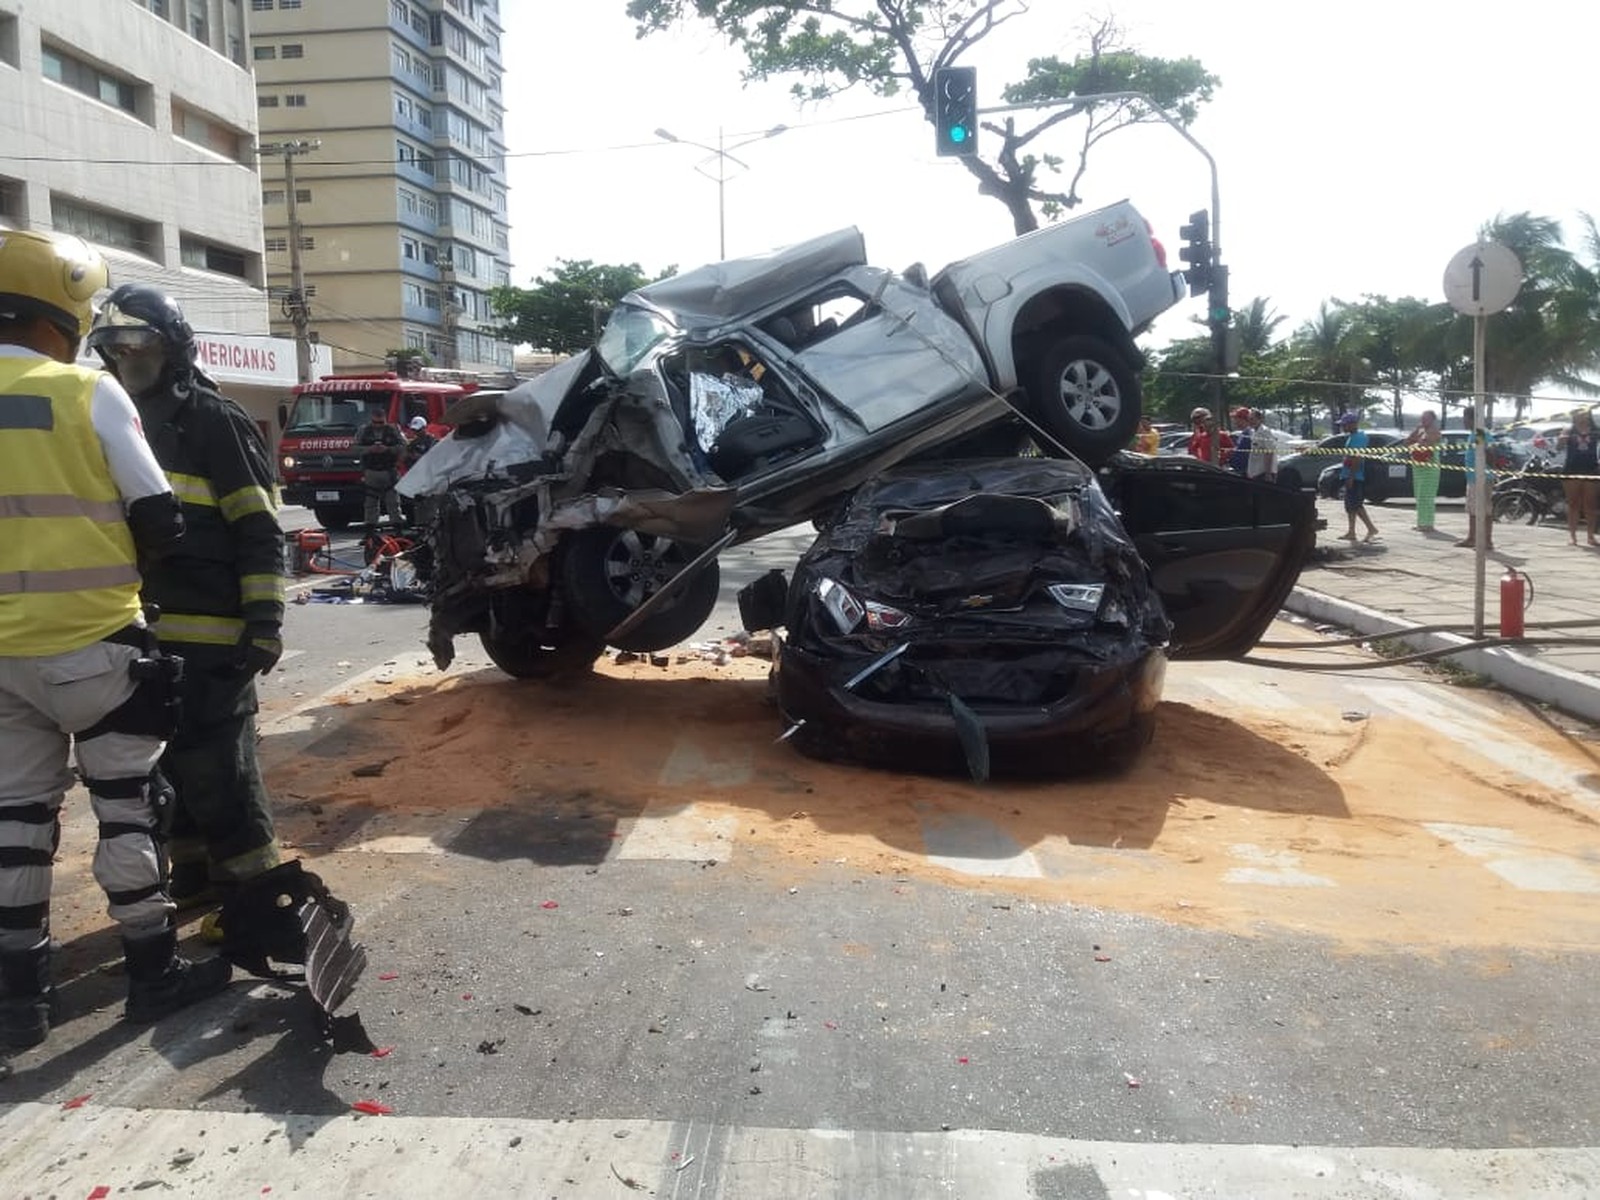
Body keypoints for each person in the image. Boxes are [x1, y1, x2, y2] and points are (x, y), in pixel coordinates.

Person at [0, 231, 231, 1048]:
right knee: (129, 811)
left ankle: (19, 1002)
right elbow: (159, 514)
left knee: (16, 822)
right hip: (96, 643)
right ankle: (150, 976)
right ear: (63, 314)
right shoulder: (85, 392)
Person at [86, 285, 286, 916]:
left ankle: (257, 894)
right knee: (162, 773)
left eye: (138, 343)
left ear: (172, 348)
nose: (126, 357)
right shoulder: (109, 421)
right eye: (113, 346)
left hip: (215, 639)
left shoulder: (212, 420)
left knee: (222, 773)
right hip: (140, 633)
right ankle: (194, 878)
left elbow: (258, 528)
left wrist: (264, 624)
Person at [354, 407, 405, 527]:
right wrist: (369, 449)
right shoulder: (363, 431)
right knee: (370, 503)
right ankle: (370, 531)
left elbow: (403, 446)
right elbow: (354, 448)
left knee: (393, 502)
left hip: (389, 471)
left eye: (381, 423)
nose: (378, 426)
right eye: (375, 422)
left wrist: (388, 449)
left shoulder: (393, 430)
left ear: (385, 420)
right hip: (371, 471)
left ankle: (397, 529)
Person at [1556, 408, 1599, 546]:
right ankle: (1572, 536)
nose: (1582, 416)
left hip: (1591, 469)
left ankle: (1591, 536)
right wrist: (1561, 440)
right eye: (1579, 413)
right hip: (1571, 469)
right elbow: (1558, 447)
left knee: (1590, 504)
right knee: (1573, 504)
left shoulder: (1595, 430)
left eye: (1585, 413)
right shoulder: (1568, 430)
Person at [1455, 405, 1495, 550]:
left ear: (1472, 419)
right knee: (1473, 510)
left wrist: (1485, 450)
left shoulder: (1480, 433)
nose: (1463, 421)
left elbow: (1490, 453)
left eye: (1465, 418)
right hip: (1473, 478)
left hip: (1482, 478)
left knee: (1484, 510)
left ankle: (1487, 540)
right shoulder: (1473, 434)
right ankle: (1472, 538)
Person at [1337, 410, 1380, 543]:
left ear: (1352, 424)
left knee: (1356, 504)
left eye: (1345, 424)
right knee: (1350, 506)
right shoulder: (1352, 436)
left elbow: (1357, 458)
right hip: (1349, 473)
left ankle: (1371, 528)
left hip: (1355, 475)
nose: (1342, 427)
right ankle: (1351, 531)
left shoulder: (1359, 438)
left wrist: (1351, 476)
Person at [1402, 409, 1443, 531]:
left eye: (1426, 418)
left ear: (1433, 419)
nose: (1423, 420)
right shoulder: (1420, 430)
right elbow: (1407, 442)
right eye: (1422, 417)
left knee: (1427, 495)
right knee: (1419, 495)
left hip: (1429, 467)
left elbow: (1426, 445)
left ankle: (1428, 524)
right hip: (1418, 466)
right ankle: (1421, 522)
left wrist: (1417, 443)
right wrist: (1416, 432)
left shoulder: (1435, 431)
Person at [1245, 410, 1278, 483]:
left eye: (1252, 419)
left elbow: (1269, 452)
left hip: (1263, 473)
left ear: (1260, 419)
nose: (1250, 422)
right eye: (1249, 419)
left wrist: (1268, 474)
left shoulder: (1265, 431)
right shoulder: (1253, 432)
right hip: (1255, 473)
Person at [1226, 406, 1254, 474]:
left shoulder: (1249, 433)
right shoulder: (1243, 433)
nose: (1234, 421)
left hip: (1245, 471)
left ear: (1242, 419)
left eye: (1236, 418)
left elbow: (1246, 454)